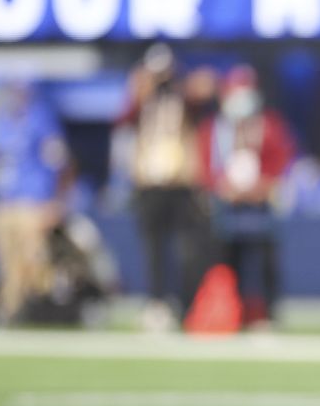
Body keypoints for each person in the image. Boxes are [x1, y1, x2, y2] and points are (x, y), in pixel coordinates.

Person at [116, 43, 209, 330]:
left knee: (185, 249)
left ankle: (185, 304)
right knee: (153, 249)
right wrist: (139, 90)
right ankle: (157, 302)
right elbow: (123, 120)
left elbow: (204, 98)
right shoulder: (143, 100)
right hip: (150, 184)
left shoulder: (183, 99)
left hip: (180, 183)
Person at [197, 65, 297, 329]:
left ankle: (266, 315)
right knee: (228, 262)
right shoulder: (214, 129)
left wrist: (261, 187)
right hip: (227, 207)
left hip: (260, 205)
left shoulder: (269, 125)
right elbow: (205, 167)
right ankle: (233, 312)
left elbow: (282, 161)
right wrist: (224, 188)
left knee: (265, 261)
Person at [0, 81, 71, 324]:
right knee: (7, 263)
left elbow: (59, 161)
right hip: (4, 201)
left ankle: (22, 310)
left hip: (32, 201)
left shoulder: (41, 119)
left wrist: (54, 201)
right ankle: (11, 309)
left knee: (32, 262)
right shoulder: (1, 119)